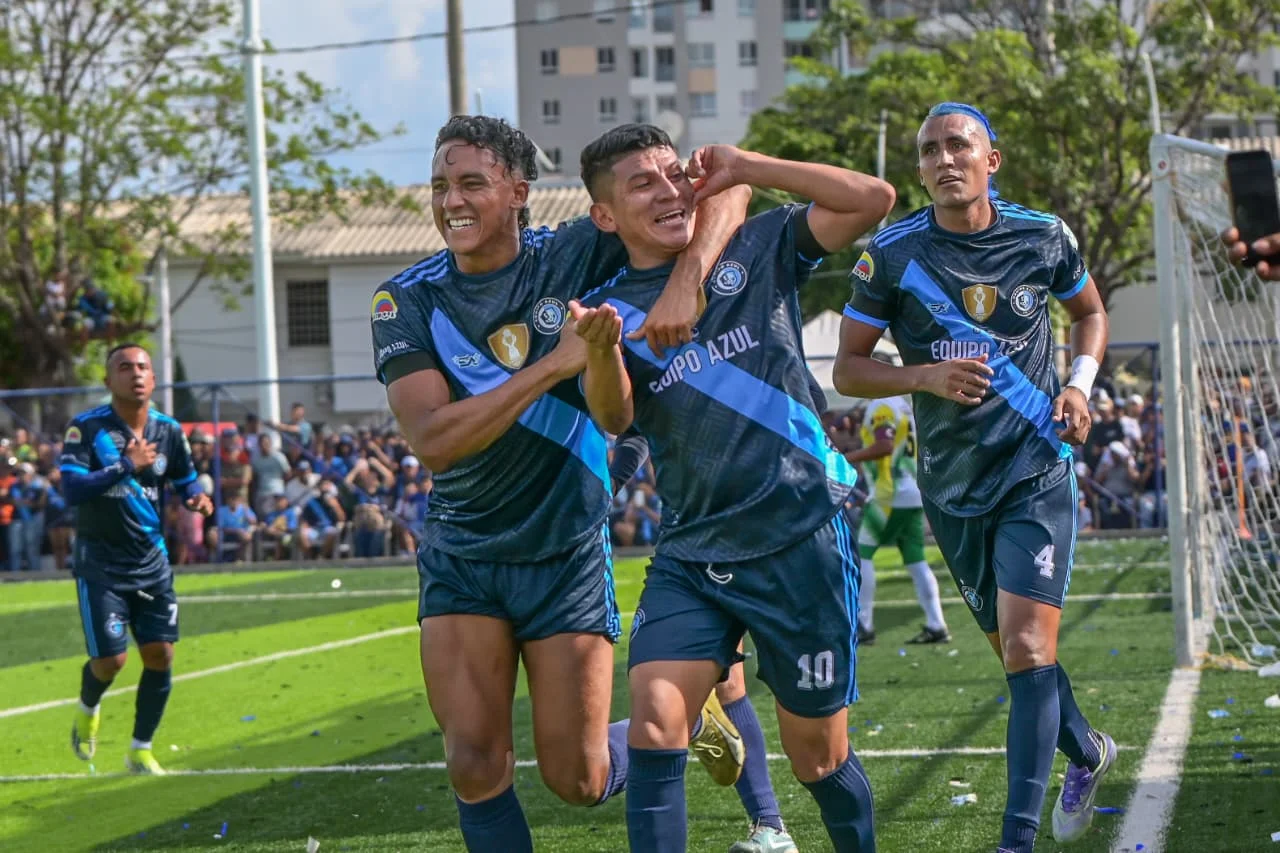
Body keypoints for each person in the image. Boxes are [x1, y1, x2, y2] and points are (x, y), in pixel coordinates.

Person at [369, 114, 751, 852]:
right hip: (465, 554)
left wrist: (687, 278)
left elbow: (725, 197)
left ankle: (686, 719)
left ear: (519, 191)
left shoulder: (575, 250)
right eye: (440, 185)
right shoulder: (405, 299)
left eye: (471, 183)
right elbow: (433, 442)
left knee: (577, 779)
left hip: (566, 552)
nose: (452, 199)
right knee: (473, 762)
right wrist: (553, 364)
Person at [572, 124, 895, 852]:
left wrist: (747, 164)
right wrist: (596, 353)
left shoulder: (757, 245)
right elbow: (616, 415)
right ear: (605, 216)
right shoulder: (609, 309)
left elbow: (873, 199)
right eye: (641, 184)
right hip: (694, 550)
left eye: (670, 172)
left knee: (819, 757)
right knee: (655, 724)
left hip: (799, 535)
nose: (666, 190)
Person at [832, 102, 1114, 853]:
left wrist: (1080, 384)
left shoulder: (1043, 235)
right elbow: (848, 368)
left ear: (993, 158)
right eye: (929, 151)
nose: (943, 159)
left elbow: (1089, 313)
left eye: (959, 144)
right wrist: (923, 374)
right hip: (952, 490)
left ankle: (1014, 841)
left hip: (1036, 470)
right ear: (920, 169)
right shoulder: (891, 254)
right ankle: (1087, 751)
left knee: (1027, 650)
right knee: (1024, 660)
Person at [61, 343, 213, 774]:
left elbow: (184, 481)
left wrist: (196, 498)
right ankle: (88, 708)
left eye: (143, 366)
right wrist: (125, 466)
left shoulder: (169, 430)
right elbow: (71, 489)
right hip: (101, 564)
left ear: (154, 377)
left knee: (160, 655)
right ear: (108, 380)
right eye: (124, 367)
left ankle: (140, 749)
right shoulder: (86, 429)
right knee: (112, 661)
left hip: (151, 561)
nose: (136, 374)